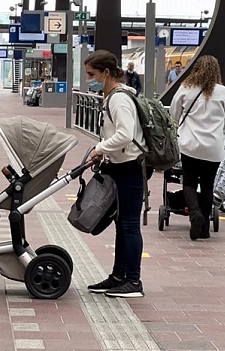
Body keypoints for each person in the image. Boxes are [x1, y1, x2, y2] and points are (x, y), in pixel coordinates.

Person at [85, 50, 146, 298]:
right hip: (120, 164)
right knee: (122, 225)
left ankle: (133, 281)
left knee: (129, 225)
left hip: (130, 167)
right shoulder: (112, 96)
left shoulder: (119, 99)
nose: (89, 78)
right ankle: (118, 276)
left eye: (92, 74)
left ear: (106, 72)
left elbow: (126, 135)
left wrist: (100, 148)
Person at [169, 55, 225, 240]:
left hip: (189, 145)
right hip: (213, 148)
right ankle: (204, 228)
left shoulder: (185, 88)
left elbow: (174, 115)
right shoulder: (223, 92)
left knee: (189, 182)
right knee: (207, 186)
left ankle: (194, 213)